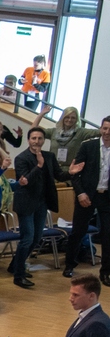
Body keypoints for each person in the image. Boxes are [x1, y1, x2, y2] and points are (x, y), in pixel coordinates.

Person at [11, 128, 65, 290]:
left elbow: (59, 175)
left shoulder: (49, 156)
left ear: (43, 141)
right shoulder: (21, 158)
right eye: (33, 138)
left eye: (40, 138)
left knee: (36, 238)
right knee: (27, 238)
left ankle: (15, 265)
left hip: (41, 202)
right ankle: (19, 275)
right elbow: (25, 180)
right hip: (26, 203)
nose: (37, 141)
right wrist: (39, 165)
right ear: (28, 140)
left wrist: (73, 172)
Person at [61, 117, 110, 283]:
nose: (107, 133)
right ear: (100, 129)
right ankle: (69, 265)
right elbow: (75, 174)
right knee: (78, 231)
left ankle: (106, 272)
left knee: (108, 235)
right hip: (86, 195)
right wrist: (80, 193)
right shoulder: (88, 146)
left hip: (107, 197)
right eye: (104, 128)